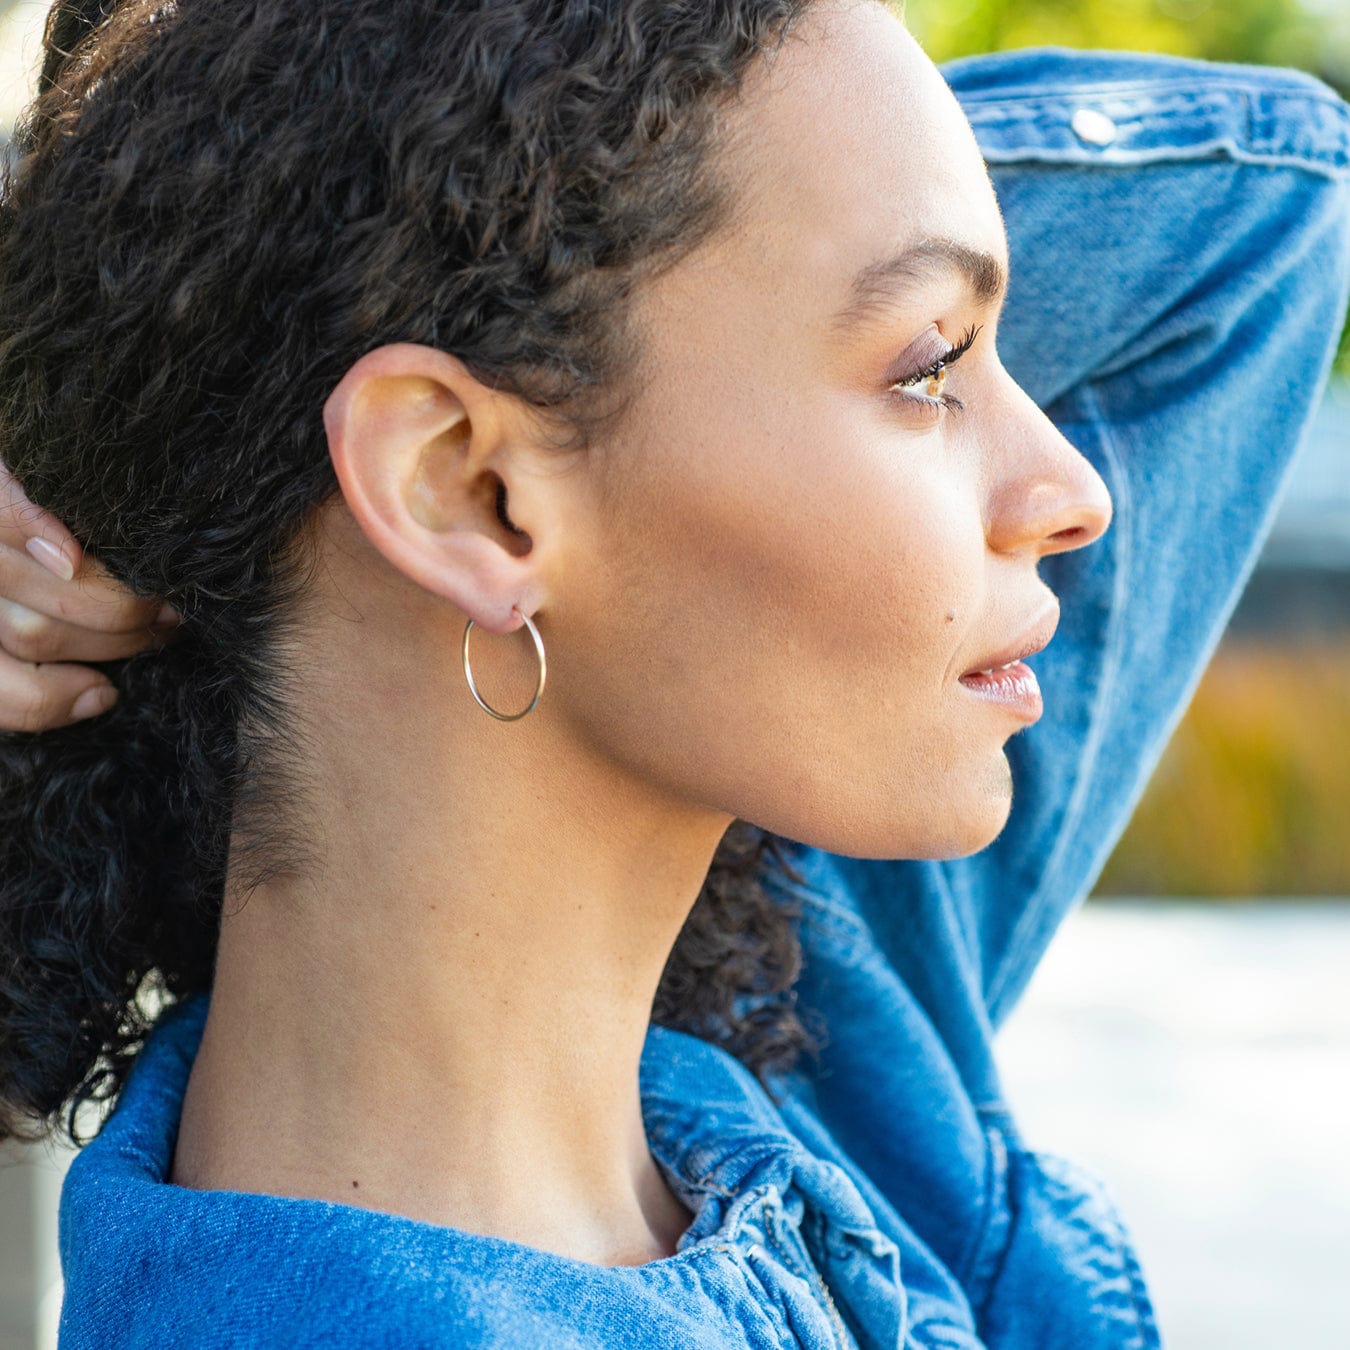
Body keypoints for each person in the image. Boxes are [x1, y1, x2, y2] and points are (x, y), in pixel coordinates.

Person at [0, 0, 1346, 1344]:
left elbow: (1266, 201)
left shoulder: (786, 1027)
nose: (1070, 489)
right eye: (932, 369)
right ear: (469, 491)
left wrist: (134, 379)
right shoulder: (832, 1036)